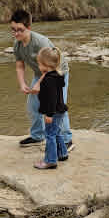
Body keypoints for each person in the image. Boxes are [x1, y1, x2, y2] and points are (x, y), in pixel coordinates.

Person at [10, 9, 72, 148]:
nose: (16, 33)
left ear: (29, 28)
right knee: (33, 106)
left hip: (57, 73)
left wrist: (39, 84)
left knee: (58, 107)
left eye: (20, 30)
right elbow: (20, 66)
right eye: (13, 29)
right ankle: (38, 136)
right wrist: (22, 84)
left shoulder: (40, 42)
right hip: (41, 73)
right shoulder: (17, 44)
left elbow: (51, 67)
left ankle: (67, 140)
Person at [31, 47, 69, 169]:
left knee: (49, 135)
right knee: (56, 132)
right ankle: (62, 153)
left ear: (45, 65)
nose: (38, 66)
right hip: (60, 110)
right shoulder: (57, 75)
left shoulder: (48, 80)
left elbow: (52, 99)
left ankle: (50, 160)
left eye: (39, 64)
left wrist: (49, 115)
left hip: (53, 112)